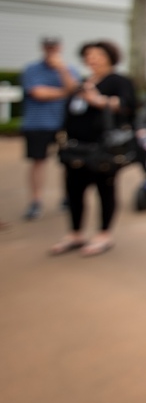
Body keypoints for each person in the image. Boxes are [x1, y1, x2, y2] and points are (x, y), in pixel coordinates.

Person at [50, 40, 136, 258]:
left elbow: (126, 105)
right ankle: (75, 232)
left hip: (103, 148)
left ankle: (104, 233)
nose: (92, 58)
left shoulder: (118, 81)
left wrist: (97, 100)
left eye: (97, 54)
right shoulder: (84, 81)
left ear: (109, 56)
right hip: (76, 147)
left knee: (104, 189)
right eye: (88, 54)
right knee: (73, 190)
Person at [20, 36, 78, 220]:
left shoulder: (69, 70)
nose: (51, 50)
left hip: (64, 123)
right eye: (48, 47)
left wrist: (62, 70)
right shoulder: (32, 69)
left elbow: (75, 89)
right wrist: (63, 93)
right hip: (37, 123)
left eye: (54, 47)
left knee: (68, 162)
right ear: (43, 48)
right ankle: (36, 201)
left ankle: (68, 197)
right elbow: (38, 93)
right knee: (38, 161)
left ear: (60, 48)